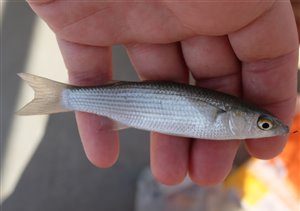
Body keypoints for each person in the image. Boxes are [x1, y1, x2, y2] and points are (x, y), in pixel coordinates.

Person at [26, 1, 299, 186]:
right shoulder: (225, 122)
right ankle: (62, 97)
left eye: (266, 125)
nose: (267, 128)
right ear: (237, 115)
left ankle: (62, 97)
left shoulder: (229, 124)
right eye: (263, 124)